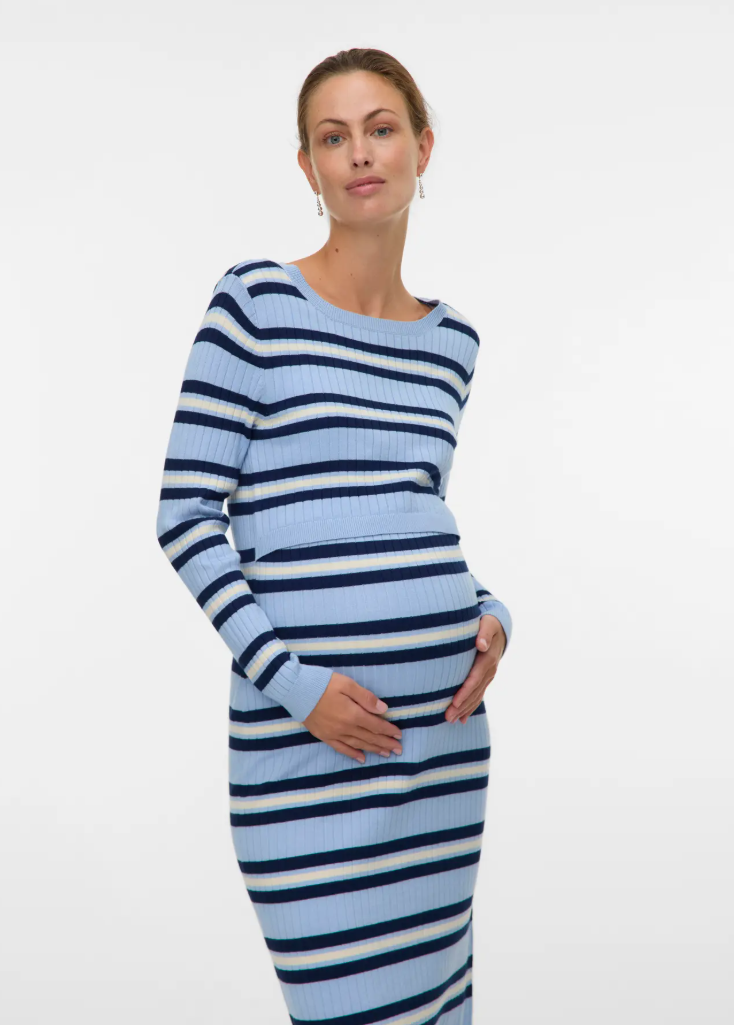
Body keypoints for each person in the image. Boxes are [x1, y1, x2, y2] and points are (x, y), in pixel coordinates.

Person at [156, 46, 513, 1025]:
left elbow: (407, 513)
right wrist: (296, 686)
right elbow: (185, 514)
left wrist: (489, 611)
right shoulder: (255, 303)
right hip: (304, 748)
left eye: (381, 128)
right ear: (307, 166)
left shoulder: (452, 343)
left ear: (422, 148)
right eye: (332, 135)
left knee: (440, 1005)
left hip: (441, 753)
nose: (359, 152)